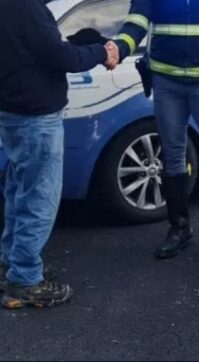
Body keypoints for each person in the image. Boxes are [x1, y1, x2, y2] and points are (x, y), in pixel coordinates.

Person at [112, 0, 199, 265]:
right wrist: (117, 49)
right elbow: (137, 22)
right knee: (172, 155)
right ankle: (179, 229)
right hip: (167, 84)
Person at [0, 0, 119, 308]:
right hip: (35, 116)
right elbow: (60, 57)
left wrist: (78, 43)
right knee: (39, 197)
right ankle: (25, 280)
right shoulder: (26, 7)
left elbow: (34, 48)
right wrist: (101, 51)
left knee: (19, 191)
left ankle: (13, 264)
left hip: (14, 111)